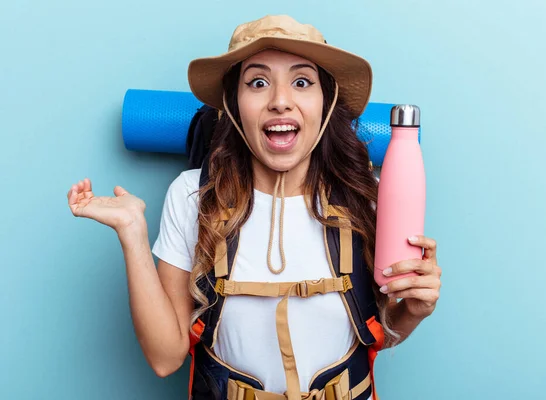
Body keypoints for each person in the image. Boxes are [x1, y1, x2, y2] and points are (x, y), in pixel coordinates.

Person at [67, 14, 441, 400]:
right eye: (258, 82)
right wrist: (132, 233)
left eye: (302, 82)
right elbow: (165, 358)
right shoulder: (192, 196)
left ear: (326, 103)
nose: (280, 101)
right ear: (232, 104)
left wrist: (413, 309)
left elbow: (377, 333)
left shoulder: (367, 196)